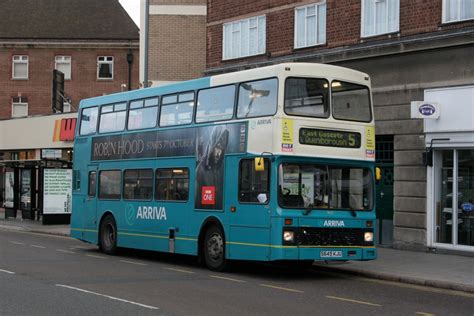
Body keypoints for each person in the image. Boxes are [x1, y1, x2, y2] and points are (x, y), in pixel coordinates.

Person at [195, 126, 229, 209]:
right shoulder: (201, 169)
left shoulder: (224, 168)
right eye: (217, 149)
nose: (218, 154)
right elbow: (197, 200)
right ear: (211, 146)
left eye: (221, 150)